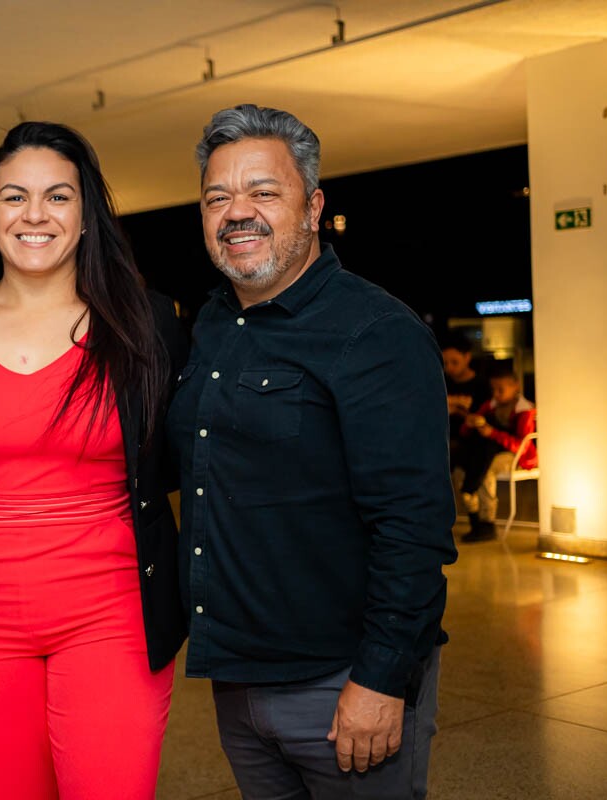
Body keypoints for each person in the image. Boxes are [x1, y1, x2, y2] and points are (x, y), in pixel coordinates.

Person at [168, 104, 457, 799]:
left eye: (263, 192)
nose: (238, 212)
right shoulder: (210, 325)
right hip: (237, 681)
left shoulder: (375, 332)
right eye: (218, 197)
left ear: (314, 205)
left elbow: (413, 526)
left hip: (341, 684)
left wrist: (380, 679)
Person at [0, 121, 187, 799]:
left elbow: (185, 457)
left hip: (113, 613)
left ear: (88, 215)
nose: (35, 215)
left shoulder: (147, 323)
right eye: (15, 196)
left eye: (58, 196)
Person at [455, 365, 537, 542]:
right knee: (467, 466)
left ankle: (487, 520)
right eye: (494, 389)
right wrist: (470, 424)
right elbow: (466, 431)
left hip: (517, 456)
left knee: (485, 469)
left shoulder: (525, 410)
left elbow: (521, 445)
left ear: (516, 386)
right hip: (491, 451)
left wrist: (492, 433)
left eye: (501, 389)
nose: (497, 393)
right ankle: (474, 517)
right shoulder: (490, 406)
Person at [441, 332, 492, 460]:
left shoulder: (482, 385)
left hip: (471, 444)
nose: (449, 368)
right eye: (445, 363)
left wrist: (455, 409)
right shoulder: (441, 383)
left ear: (467, 357)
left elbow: (483, 418)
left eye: (454, 362)